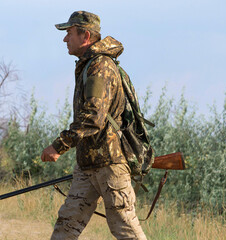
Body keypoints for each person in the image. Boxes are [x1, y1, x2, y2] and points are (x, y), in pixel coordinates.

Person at [41, 11, 147, 240]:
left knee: (125, 228)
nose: (64, 39)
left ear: (85, 35)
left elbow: (93, 117)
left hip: (110, 164)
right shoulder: (89, 65)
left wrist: (58, 146)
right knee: (66, 226)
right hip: (89, 164)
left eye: (69, 33)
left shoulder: (100, 66)